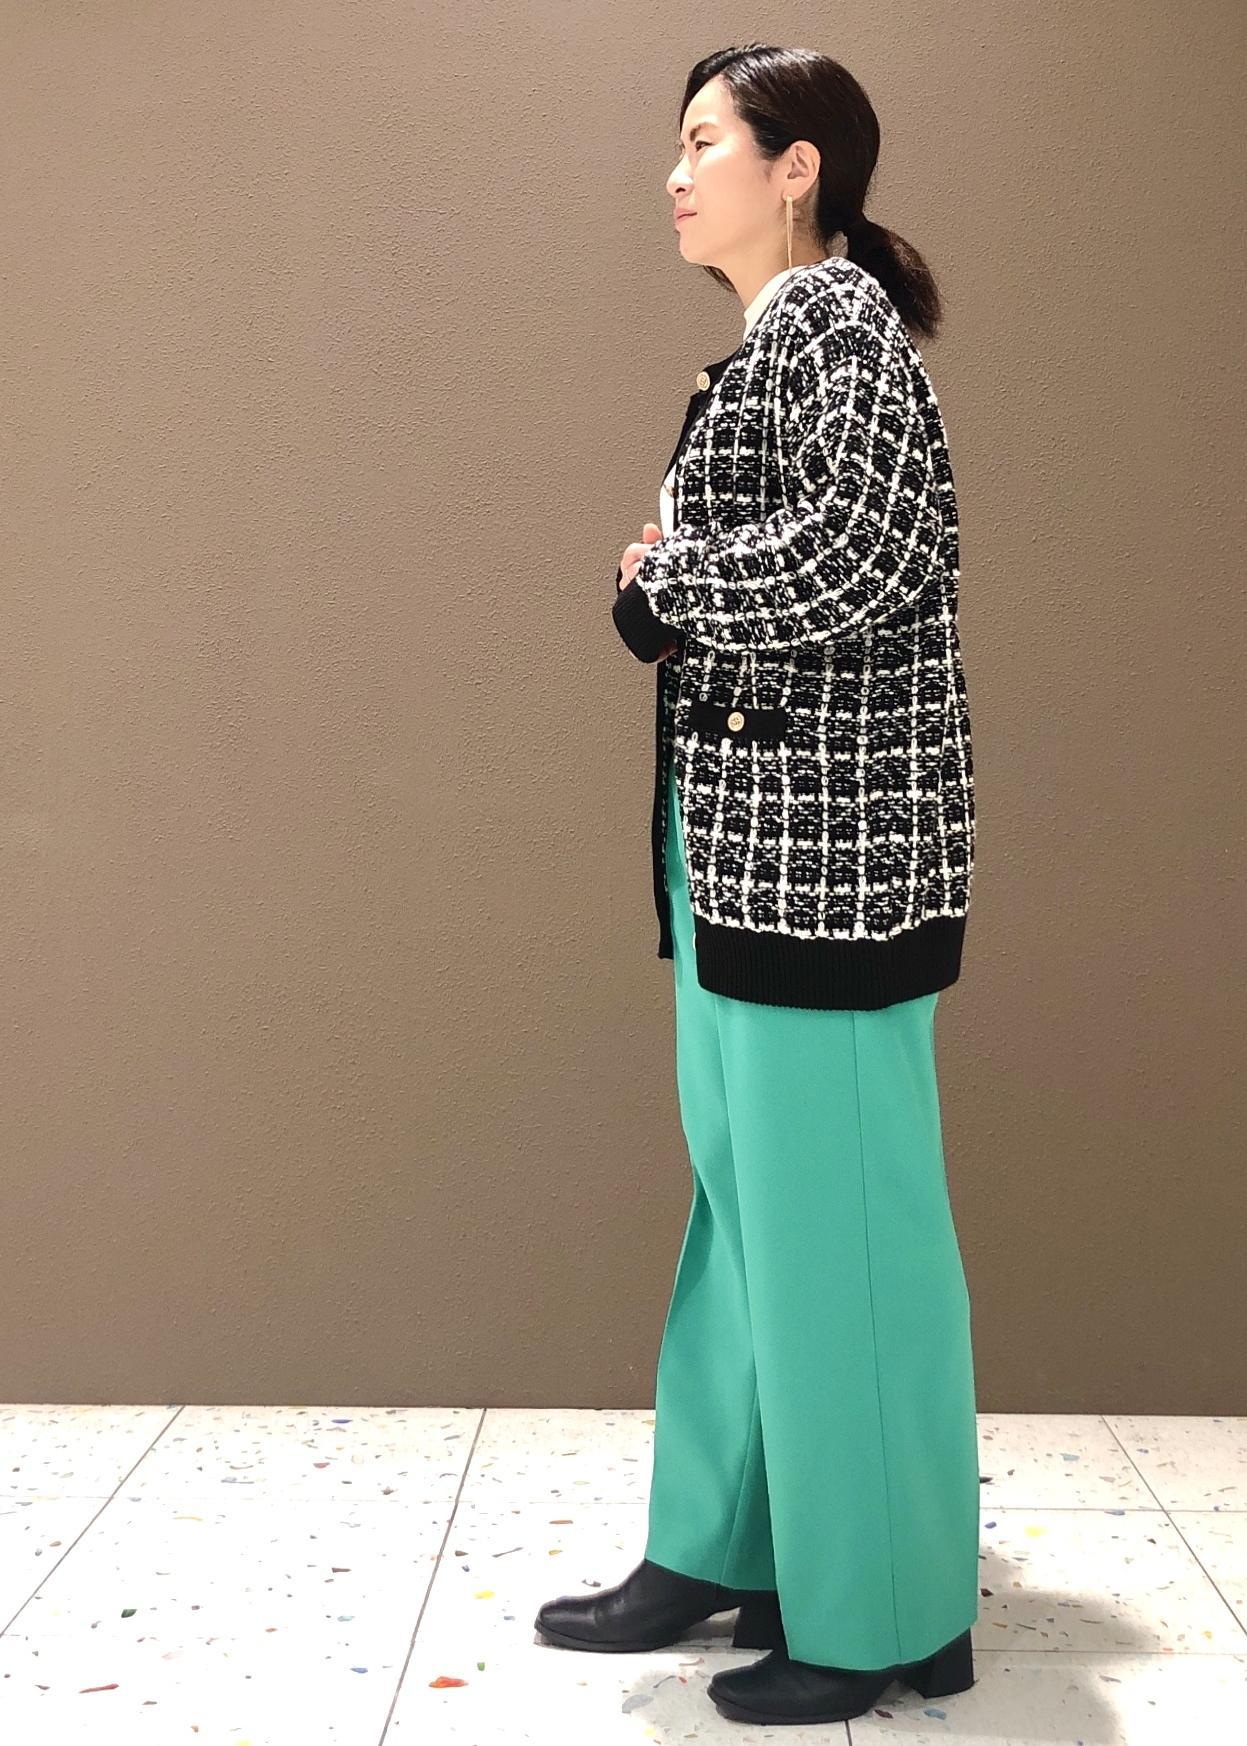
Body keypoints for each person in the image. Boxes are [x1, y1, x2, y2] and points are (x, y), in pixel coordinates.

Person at [536, 42, 980, 1729]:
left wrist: (669, 586)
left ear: (800, 168)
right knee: (751, 1212)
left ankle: (883, 1609)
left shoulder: (838, 322)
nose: (674, 174)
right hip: (747, 855)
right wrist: (680, 573)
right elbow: (807, 545)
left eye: (704, 141)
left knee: (841, 1235)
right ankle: (725, 1541)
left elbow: (867, 549)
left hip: (828, 869)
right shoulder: (780, 341)